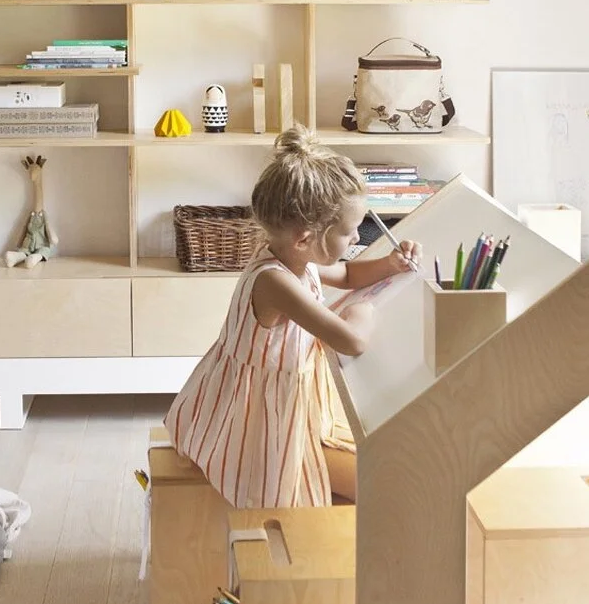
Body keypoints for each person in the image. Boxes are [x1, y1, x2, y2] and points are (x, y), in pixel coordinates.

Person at [164, 125, 420, 508]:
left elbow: (349, 275)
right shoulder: (275, 283)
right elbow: (351, 340)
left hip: (290, 405)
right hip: (258, 422)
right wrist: (360, 312)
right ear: (305, 239)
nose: (357, 239)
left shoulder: (294, 258)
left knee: (371, 477)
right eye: (350, 232)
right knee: (370, 486)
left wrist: (389, 264)